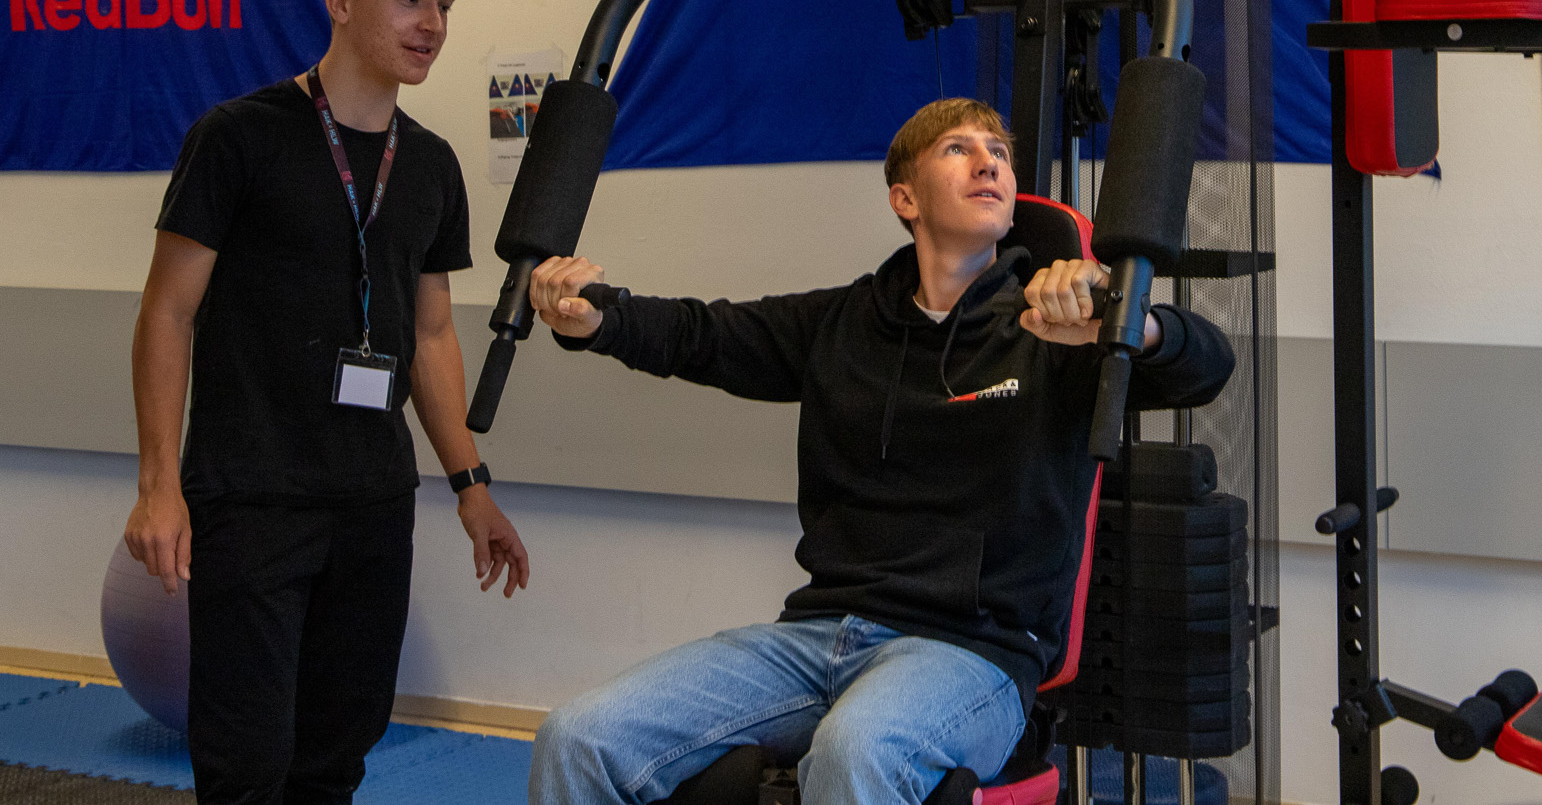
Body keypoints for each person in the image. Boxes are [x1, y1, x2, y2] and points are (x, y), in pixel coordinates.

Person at [526, 97, 1234, 805]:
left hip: (972, 656)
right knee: (579, 737)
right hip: (816, 637)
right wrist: (598, 320)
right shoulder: (843, 322)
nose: (988, 162)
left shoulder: (1052, 331)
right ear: (905, 198)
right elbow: (702, 336)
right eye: (958, 148)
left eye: (999, 152)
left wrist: (1128, 323)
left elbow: (1208, 364)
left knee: (856, 749)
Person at [124, 0, 530, 805]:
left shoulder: (431, 165)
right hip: (251, 496)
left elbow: (431, 335)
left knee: (337, 756)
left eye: (443, 3)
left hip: (373, 502)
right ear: (341, 3)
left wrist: (471, 484)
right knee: (247, 760)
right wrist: (159, 484)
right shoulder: (239, 136)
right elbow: (167, 310)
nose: (432, 22)